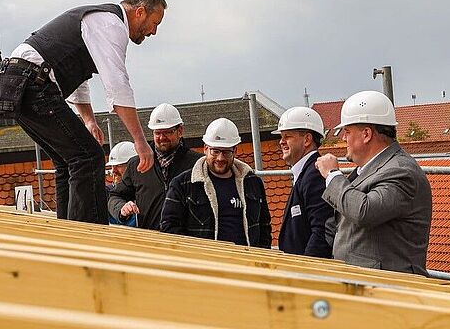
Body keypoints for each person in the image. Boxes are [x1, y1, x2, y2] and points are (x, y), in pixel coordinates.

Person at [0, 0, 166, 224]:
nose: (154, 32)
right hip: (33, 82)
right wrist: (140, 141)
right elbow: (117, 85)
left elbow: (76, 74)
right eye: (155, 23)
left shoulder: (97, 22)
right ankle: (88, 236)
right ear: (140, 12)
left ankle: (67, 231)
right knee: (88, 157)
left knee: (69, 160)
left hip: (19, 82)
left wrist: (89, 120)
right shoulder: (111, 25)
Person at [315, 91, 432, 276]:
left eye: (347, 132)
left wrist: (332, 175)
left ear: (367, 134)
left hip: (389, 287)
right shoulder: (368, 169)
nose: (343, 139)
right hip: (365, 282)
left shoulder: (401, 171)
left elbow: (365, 211)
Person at [161, 118, 271, 248]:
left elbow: (264, 227)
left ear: (235, 151)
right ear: (205, 149)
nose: (220, 158)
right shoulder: (183, 185)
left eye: (226, 152)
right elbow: (169, 228)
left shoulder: (252, 183)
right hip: (203, 264)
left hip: (246, 265)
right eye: (215, 151)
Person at [108, 103, 202, 229]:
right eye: (158, 133)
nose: (162, 137)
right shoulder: (136, 164)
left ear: (180, 131)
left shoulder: (197, 164)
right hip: (150, 241)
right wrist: (121, 208)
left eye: (168, 132)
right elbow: (116, 196)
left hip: (186, 242)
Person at [274, 107, 333, 258]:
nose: (281, 142)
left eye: (287, 136)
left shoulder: (314, 175)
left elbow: (321, 230)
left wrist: (306, 270)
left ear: (307, 139)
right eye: (281, 136)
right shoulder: (306, 173)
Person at [105, 141, 138, 227]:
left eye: (119, 166)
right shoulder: (107, 193)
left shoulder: (142, 195)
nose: (113, 171)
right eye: (112, 166)